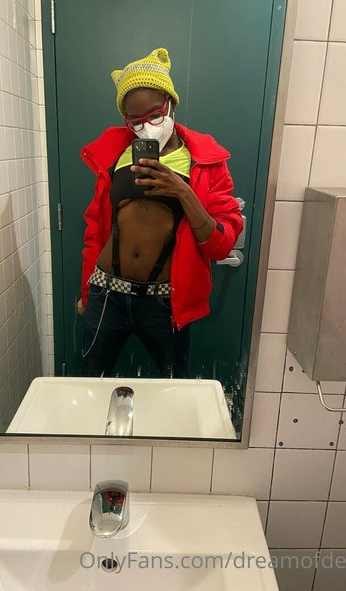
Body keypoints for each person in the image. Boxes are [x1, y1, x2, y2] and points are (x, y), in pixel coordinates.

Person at [77, 48, 243, 378]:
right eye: (135, 121)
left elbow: (221, 245)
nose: (146, 128)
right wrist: (86, 291)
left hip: (166, 301)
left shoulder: (205, 162)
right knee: (90, 382)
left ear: (170, 104)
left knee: (175, 386)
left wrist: (183, 191)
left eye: (154, 115)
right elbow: (95, 230)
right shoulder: (115, 154)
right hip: (106, 292)